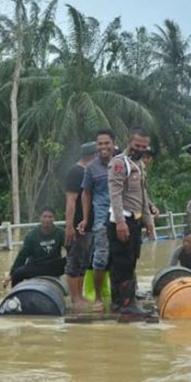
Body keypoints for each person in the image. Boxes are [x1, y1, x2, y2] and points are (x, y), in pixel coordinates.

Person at [107, 126, 155, 315]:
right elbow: (115, 195)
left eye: (144, 147)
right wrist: (120, 223)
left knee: (129, 261)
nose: (140, 149)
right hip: (122, 221)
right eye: (137, 145)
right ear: (129, 143)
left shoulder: (140, 165)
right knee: (123, 264)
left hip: (135, 221)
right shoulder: (119, 164)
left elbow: (142, 195)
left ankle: (120, 302)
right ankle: (127, 305)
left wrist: (149, 221)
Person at [77, 130, 116, 311]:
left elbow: (135, 189)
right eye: (100, 144)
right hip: (101, 218)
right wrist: (85, 219)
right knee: (100, 258)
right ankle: (99, 298)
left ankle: (122, 295)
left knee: (124, 257)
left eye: (106, 143)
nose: (103, 147)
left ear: (113, 144)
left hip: (123, 216)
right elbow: (86, 193)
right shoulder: (91, 168)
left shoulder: (122, 163)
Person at [64, 142, 97, 307]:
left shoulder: (87, 172)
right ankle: (74, 298)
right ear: (92, 156)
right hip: (77, 226)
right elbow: (70, 201)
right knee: (74, 261)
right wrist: (69, 226)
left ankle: (80, 296)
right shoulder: (76, 173)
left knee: (84, 261)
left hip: (89, 226)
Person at [2, 207, 65, 288]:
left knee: (75, 262)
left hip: (54, 266)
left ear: (54, 219)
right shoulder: (31, 235)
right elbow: (22, 255)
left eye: (50, 217)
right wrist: (11, 274)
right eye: (44, 216)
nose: (47, 219)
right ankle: (16, 295)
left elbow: (71, 250)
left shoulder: (60, 233)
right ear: (40, 218)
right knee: (17, 273)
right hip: (36, 266)